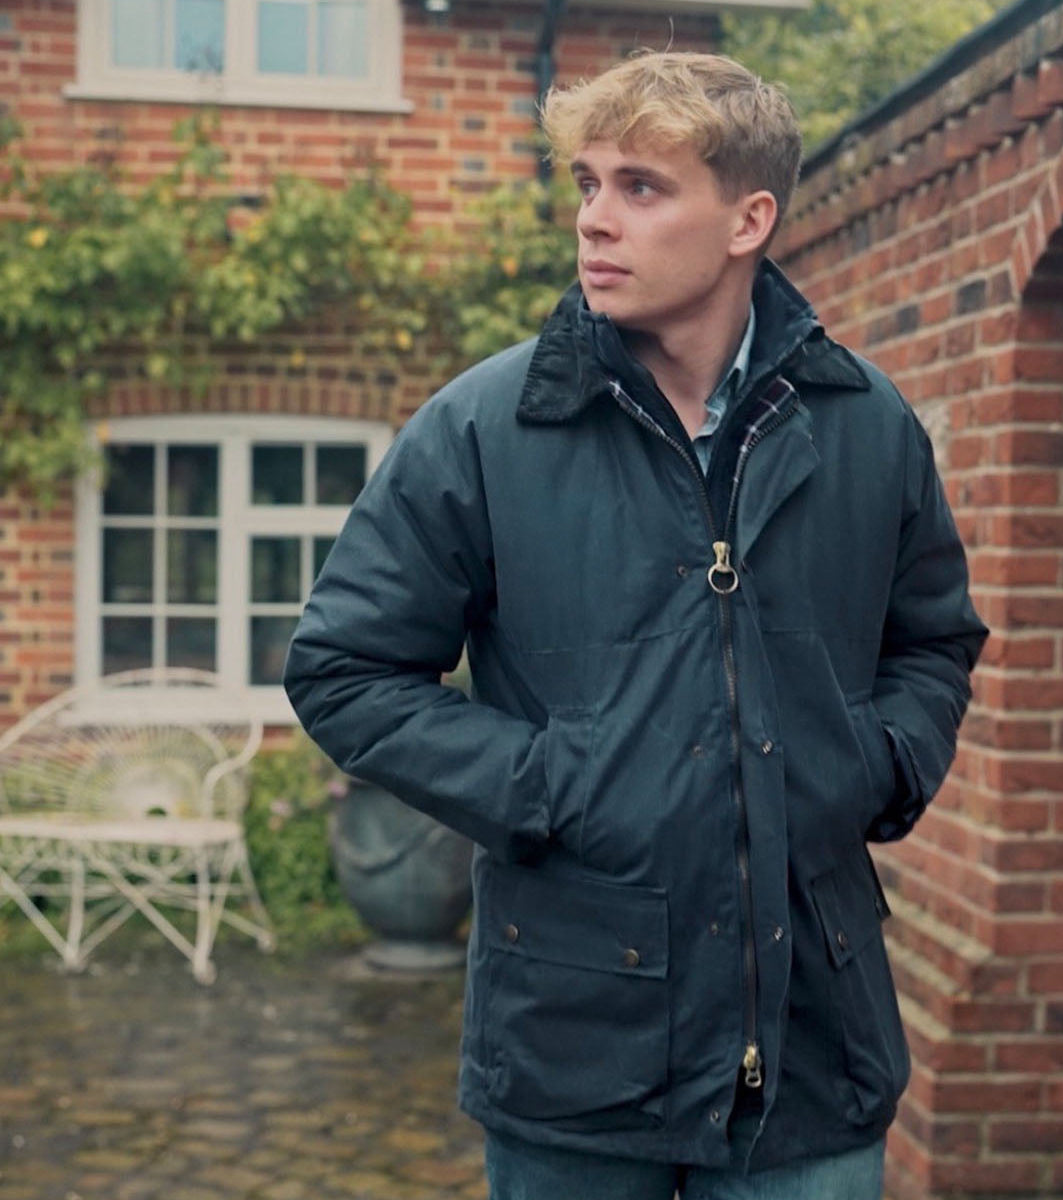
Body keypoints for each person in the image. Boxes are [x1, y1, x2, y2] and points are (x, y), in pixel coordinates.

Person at [285, 50, 987, 1200]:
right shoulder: (486, 428)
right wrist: (554, 782)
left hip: (813, 1046)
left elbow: (933, 643)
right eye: (586, 183)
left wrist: (867, 764)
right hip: (575, 1049)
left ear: (748, 217)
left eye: (641, 188)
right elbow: (345, 668)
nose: (594, 221)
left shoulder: (868, 426)